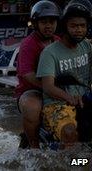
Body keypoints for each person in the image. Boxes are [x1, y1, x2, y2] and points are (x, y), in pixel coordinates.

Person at [36, 0, 92, 149]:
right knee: (69, 132)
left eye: (82, 26)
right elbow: (48, 87)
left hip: (85, 99)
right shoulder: (50, 53)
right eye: (74, 26)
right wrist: (70, 97)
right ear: (65, 27)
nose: (79, 30)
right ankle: (74, 164)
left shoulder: (86, 46)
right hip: (57, 104)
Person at [15, 0, 61, 148]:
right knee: (32, 107)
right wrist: (48, 87)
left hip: (57, 88)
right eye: (44, 22)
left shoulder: (59, 42)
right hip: (32, 91)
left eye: (52, 21)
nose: (48, 26)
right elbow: (27, 74)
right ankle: (34, 147)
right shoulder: (28, 44)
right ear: (35, 24)